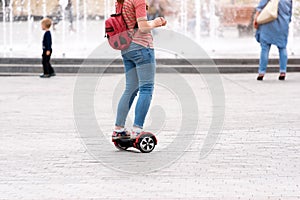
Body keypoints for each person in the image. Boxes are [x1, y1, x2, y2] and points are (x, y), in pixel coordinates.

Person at [112, 0, 167, 140]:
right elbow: (143, 27)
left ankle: (119, 129)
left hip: (126, 48)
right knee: (146, 88)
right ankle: (137, 130)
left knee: (130, 89)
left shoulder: (120, 1)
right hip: (142, 47)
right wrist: (157, 22)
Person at [253, 0, 293, 81]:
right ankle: (283, 71)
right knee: (282, 47)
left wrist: (256, 19)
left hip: (268, 23)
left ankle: (262, 72)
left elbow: (260, 8)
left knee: (265, 48)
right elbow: (290, 12)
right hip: (283, 24)